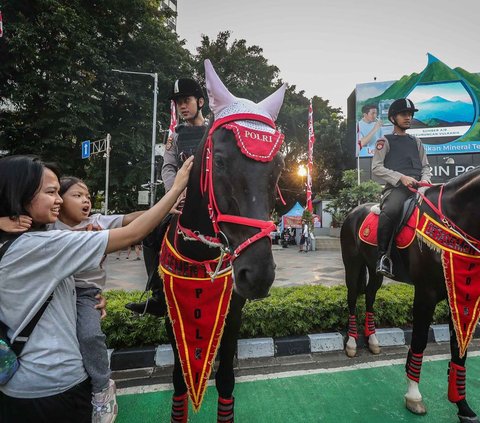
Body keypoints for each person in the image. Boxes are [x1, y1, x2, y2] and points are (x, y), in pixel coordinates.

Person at [0, 155, 192, 423]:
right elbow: (133, 232)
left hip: (18, 388)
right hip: (54, 388)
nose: (57, 200)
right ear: (18, 194)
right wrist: (176, 187)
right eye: (51, 192)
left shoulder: (12, 243)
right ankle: (103, 387)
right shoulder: (40, 246)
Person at [126, 77, 208, 316]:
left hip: (211, 199)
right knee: (151, 231)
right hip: (181, 200)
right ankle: (158, 295)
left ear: (200, 101)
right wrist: (175, 193)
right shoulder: (175, 136)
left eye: (187, 101)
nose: (182, 106)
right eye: (178, 103)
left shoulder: (215, 132)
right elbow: (168, 167)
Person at [372, 98, 432, 278]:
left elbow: (426, 167)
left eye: (410, 114)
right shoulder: (384, 141)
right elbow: (376, 167)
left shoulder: (417, 142)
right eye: (404, 114)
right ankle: (383, 257)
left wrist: (425, 182)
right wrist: (401, 178)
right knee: (391, 209)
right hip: (396, 189)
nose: (408, 117)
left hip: (420, 188)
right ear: (392, 118)